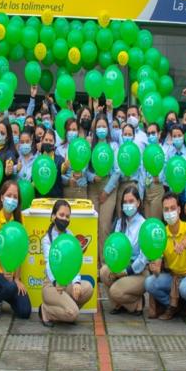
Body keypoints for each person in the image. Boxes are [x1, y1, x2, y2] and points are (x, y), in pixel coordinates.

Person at [145, 192, 186, 327]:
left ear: (179, 209)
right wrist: (155, 268)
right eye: (166, 209)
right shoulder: (161, 233)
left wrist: (182, 245)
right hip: (172, 277)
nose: (169, 212)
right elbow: (158, 259)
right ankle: (173, 306)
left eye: (172, 208)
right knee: (149, 283)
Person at [39, 200, 94, 326]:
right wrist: (55, 282)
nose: (64, 219)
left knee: (87, 289)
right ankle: (46, 311)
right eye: (61, 215)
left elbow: (75, 262)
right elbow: (49, 264)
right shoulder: (47, 239)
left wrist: (76, 282)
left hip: (67, 282)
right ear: (53, 216)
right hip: (52, 285)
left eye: (67, 216)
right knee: (73, 314)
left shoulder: (70, 236)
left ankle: (66, 311)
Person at [0, 181, 32, 321]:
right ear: (2, 197)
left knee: (25, 312)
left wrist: (17, 279)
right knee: (10, 286)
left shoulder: (19, 220)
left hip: (12, 276)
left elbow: (20, 251)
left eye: (15, 197)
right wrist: (5, 268)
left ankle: (7, 292)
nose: (12, 199)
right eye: (9, 195)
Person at [100, 186, 147, 315]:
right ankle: (120, 303)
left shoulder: (143, 225)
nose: (128, 205)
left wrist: (126, 272)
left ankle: (137, 303)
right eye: (125, 202)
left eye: (131, 201)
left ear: (138, 203)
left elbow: (143, 259)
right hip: (121, 265)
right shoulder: (120, 222)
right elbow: (115, 247)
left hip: (138, 271)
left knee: (114, 291)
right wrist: (115, 267)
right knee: (104, 271)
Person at [87, 115, 120, 262]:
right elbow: (84, 168)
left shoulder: (113, 146)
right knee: (92, 225)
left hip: (109, 187)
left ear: (108, 128)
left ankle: (104, 263)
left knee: (104, 226)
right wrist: (92, 177)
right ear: (95, 129)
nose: (101, 129)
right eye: (99, 126)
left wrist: (106, 191)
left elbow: (117, 171)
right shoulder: (90, 145)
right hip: (93, 186)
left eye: (104, 126)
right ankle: (92, 263)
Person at [58, 118, 89, 199]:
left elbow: (86, 167)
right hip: (66, 189)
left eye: (74, 130)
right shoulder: (59, 149)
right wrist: (68, 180)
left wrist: (79, 174)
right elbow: (57, 173)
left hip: (81, 188)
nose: (71, 132)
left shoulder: (83, 147)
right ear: (66, 131)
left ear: (78, 131)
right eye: (69, 129)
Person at [143, 123, 165, 219]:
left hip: (157, 188)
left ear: (159, 134)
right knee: (147, 221)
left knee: (155, 221)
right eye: (148, 134)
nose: (151, 136)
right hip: (146, 189)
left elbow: (167, 171)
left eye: (153, 133)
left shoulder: (164, 150)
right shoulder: (146, 151)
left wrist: (158, 177)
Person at [37, 129, 64, 198]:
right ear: (42, 140)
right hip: (41, 199)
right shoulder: (37, 161)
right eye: (46, 140)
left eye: (51, 140)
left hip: (56, 199)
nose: (48, 142)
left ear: (54, 142)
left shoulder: (60, 160)